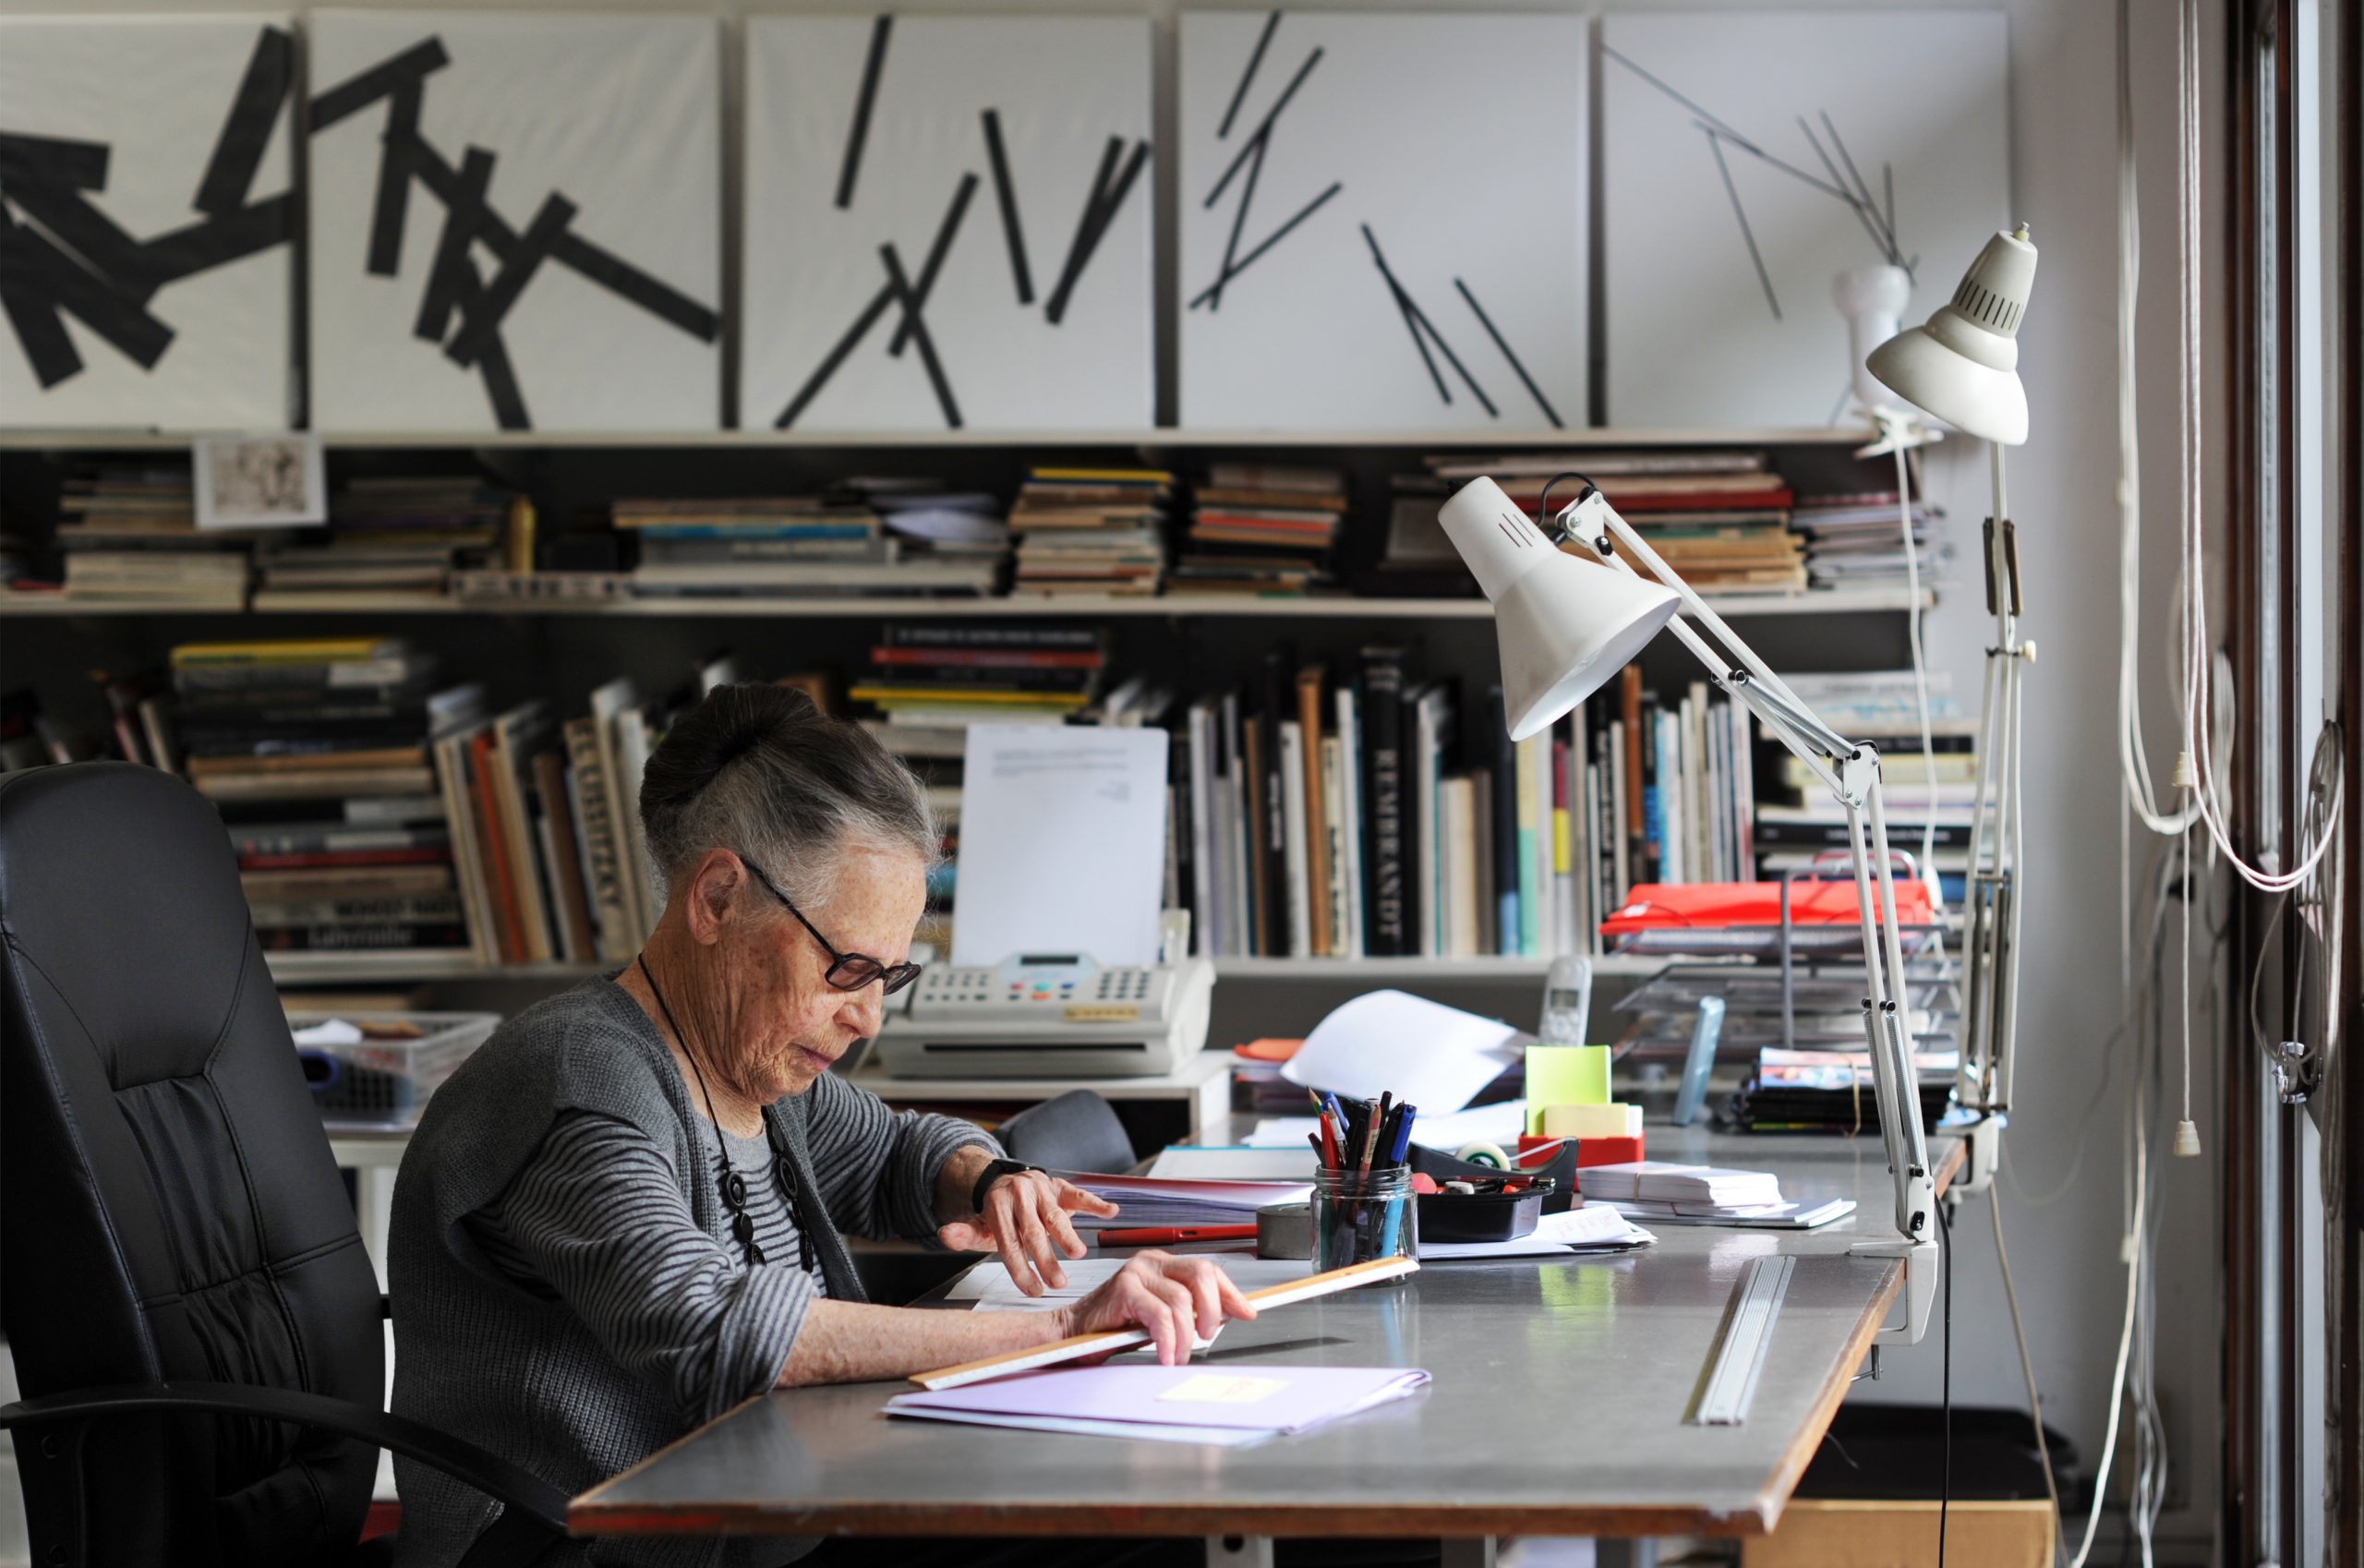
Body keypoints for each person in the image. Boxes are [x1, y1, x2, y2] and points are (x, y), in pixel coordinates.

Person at [389, 683, 1256, 1566]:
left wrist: (989, 1180)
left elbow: (892, 1153)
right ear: (719, 898)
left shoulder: (758, 1065)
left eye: (891, 975)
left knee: (1134, 1516)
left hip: (775, 1513)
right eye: (847, 967)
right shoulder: (577, 1081)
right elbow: (709, 1328)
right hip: (593, 1550)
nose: (870, 1016)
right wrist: (1065, 1331)